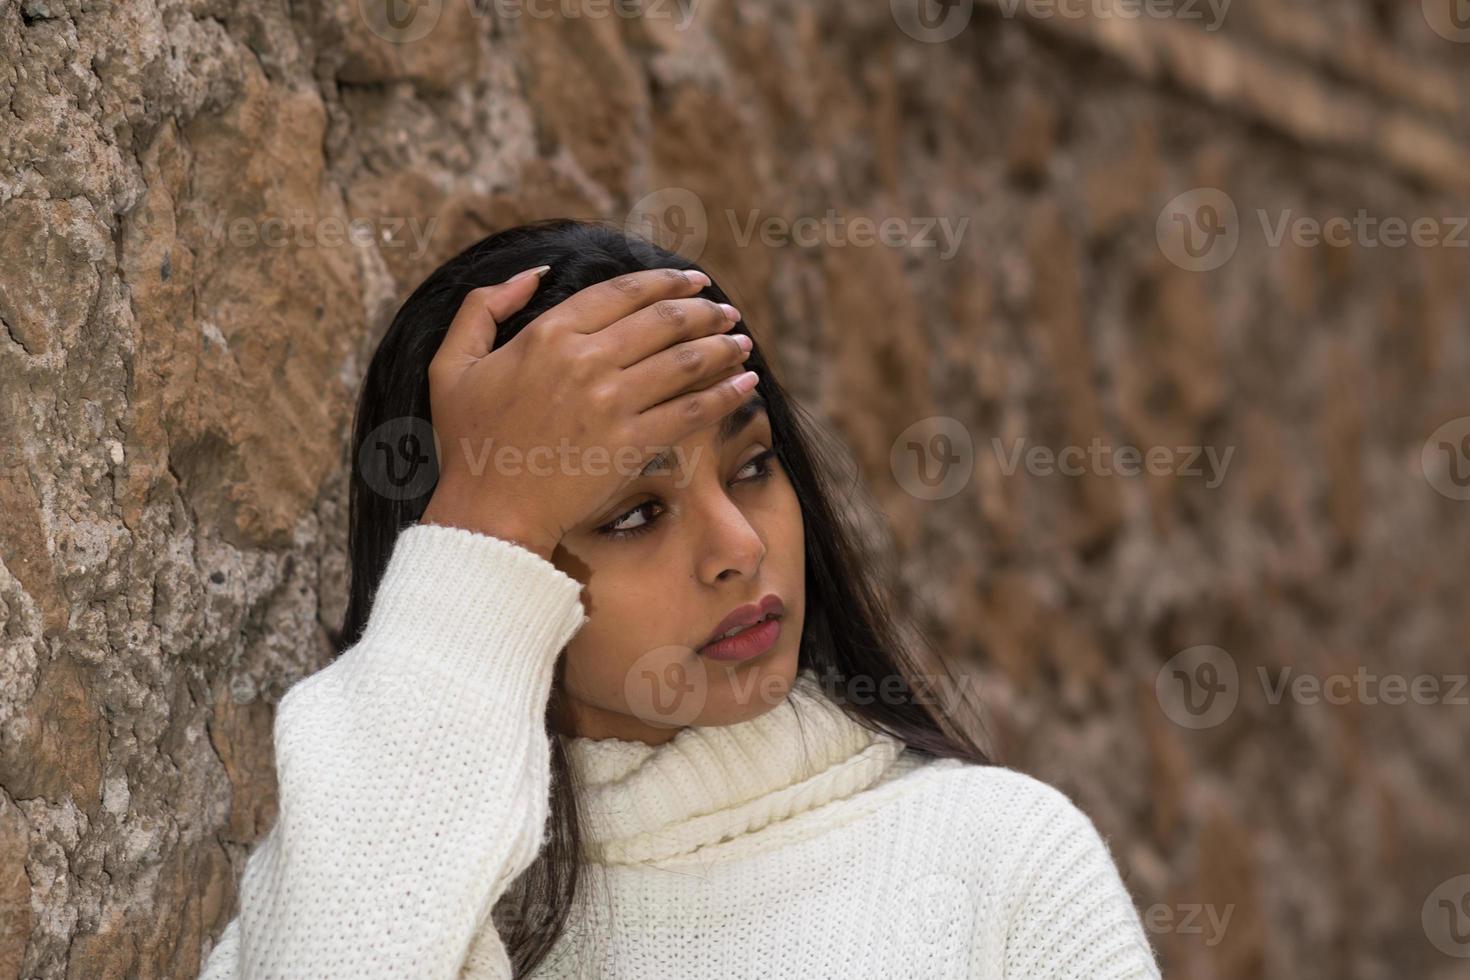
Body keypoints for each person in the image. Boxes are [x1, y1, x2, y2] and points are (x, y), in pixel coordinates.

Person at [198, 219, 1161, 978]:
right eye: (632, 515)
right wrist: (483, 517)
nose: (739, 550)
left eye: (752, 467)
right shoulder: (401, 900)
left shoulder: (999, 860)